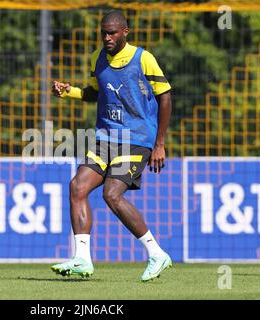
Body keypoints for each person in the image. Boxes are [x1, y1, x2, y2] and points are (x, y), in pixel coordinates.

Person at [50, 10, 173, 282]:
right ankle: (82, 258)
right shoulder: (97, 58)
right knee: (77, 186)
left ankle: (156, 253)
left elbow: (165, 97)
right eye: (103, 32)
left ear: (125, 32)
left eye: (112, 32)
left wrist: (160, 144)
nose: (107, 37)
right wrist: (68, 91)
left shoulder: (144, 59)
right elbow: (95, 92)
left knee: (112, 195)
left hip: (137, 139)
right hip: (105, 138)